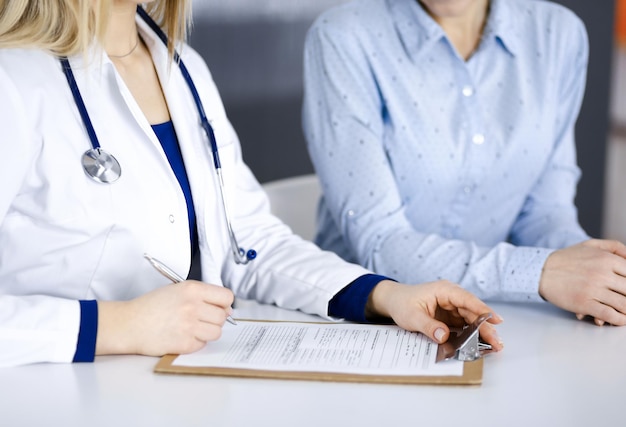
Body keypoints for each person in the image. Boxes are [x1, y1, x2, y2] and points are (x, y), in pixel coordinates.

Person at [0, 0, 503, 367]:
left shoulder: (184, 69)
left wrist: (386, 297)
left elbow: (251, 243)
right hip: (58, 392)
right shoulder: (13, 79)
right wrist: (118, 326)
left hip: (182, 384)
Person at [302, 0, 626, 326]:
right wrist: (542, 272)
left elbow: (544, 214)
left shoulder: (556, 33)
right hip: (365, 324)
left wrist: (598, 278)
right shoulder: (344, 36)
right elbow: (380, 245)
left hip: (498, 316)